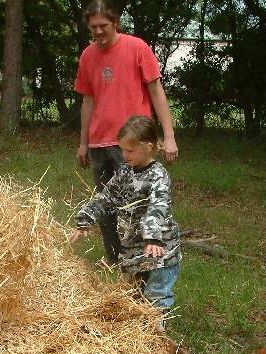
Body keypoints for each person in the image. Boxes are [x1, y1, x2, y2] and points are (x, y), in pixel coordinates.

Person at [74, 0, 178, 265]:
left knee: (136, 208)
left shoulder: (137, 47)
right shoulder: (87, 56)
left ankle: (144, 263)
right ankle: (116, 261)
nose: (97, 31)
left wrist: (169, 137)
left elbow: (157, 92)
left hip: (132, 143)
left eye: (103, 26)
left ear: (115, 23)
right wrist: (83, 143)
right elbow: (87, 101)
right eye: (93, 26)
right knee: (106, 206)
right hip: (99, 144)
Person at [70, 115, 181, 331]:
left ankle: (157, 332)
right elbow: (107, 197)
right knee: (136, 293)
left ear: (148, 147)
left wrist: (152, 236)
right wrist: (85, 219)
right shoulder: (124, 172)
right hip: (134, 249)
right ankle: (138, 330)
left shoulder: (158, 176)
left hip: (160, 249)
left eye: (130, 151)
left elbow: (159, 206)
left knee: (156, 293)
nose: (124, 155)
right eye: (122, 150)